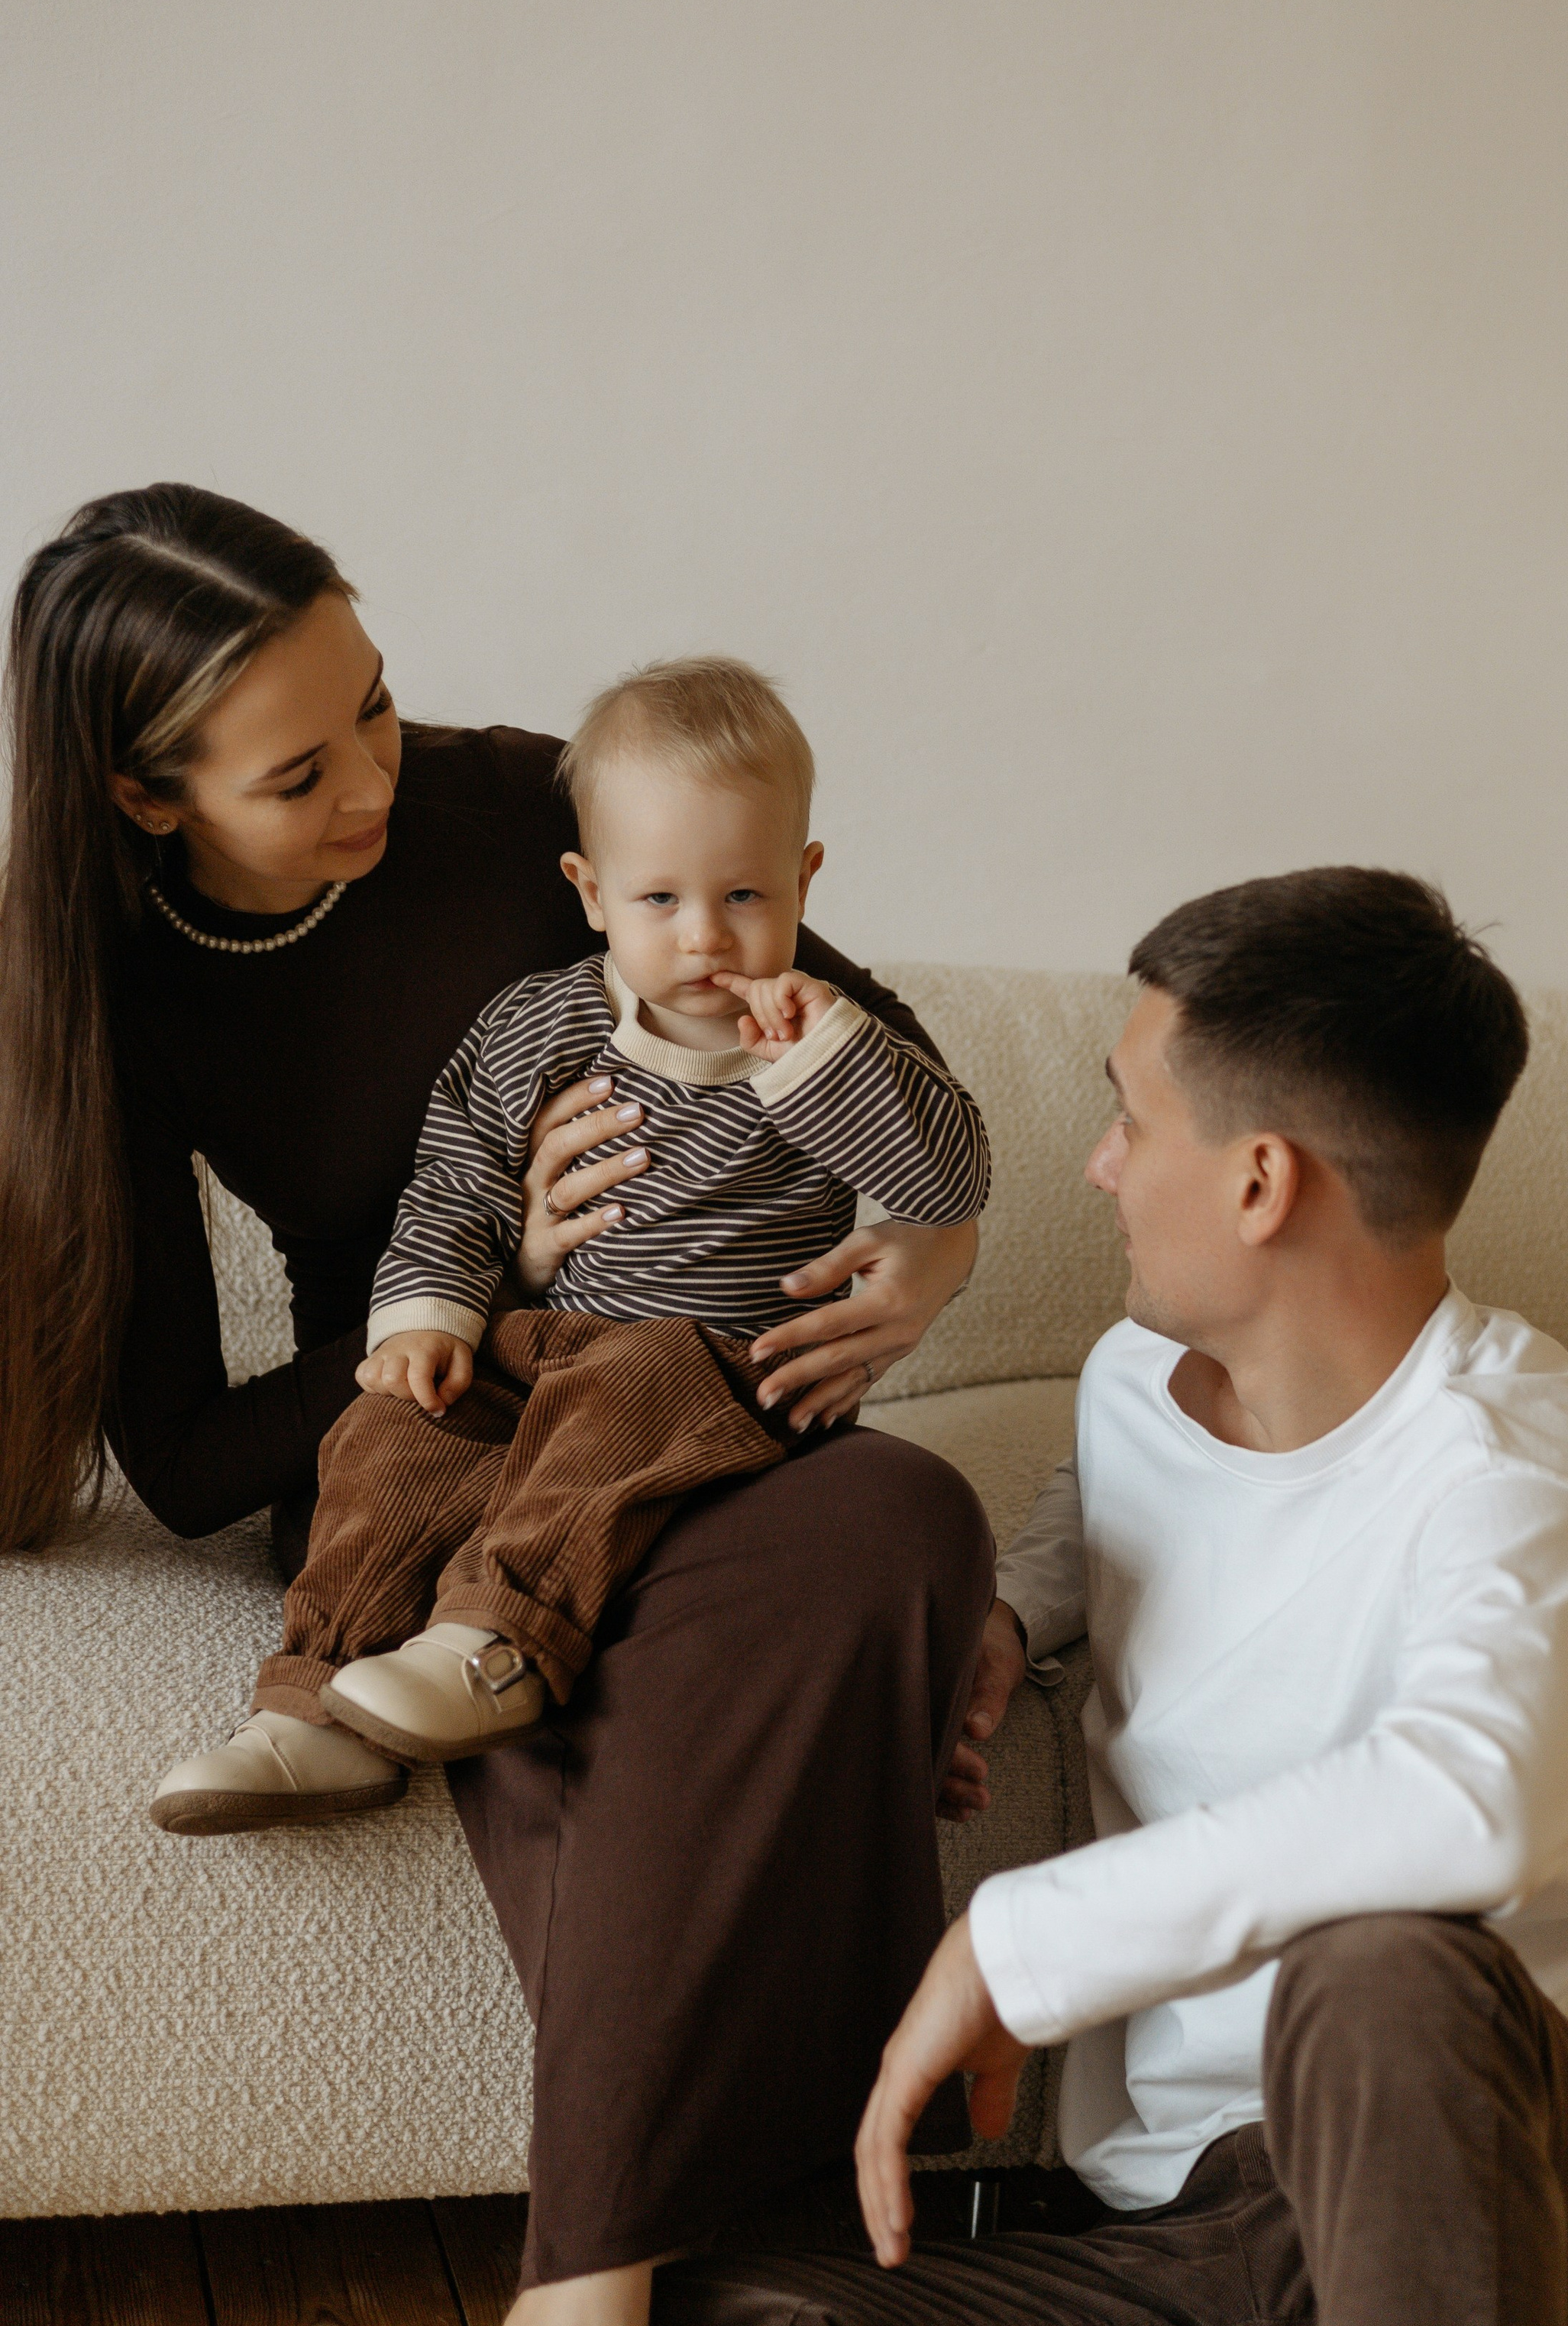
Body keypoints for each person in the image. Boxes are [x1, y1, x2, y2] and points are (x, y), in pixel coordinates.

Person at [0, 484, 1013, 2326]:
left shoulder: (526, 812)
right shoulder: (107, 985)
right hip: (440, 1423)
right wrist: (453, 1304)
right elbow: (187, 1453)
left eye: (375, 705)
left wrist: (945, 1247)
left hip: (682, 1406)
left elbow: (840, 1032)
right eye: (302, 769)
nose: (385, 775)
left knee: (903, 1520)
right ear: (141, 792)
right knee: (544, 1661)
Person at [647, 869, 1568, 2326]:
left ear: (1255, 1180)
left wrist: (1018, 1943)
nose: (1096, 1165)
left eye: (1124, 1115)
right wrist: (1012, 1614)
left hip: (1538, 2241)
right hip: (1202, 2266)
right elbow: (1122, 1515)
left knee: (1384, 1969)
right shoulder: (1129, 1385)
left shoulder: (1509, 1467)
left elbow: (1470, 1801)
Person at [150, 655, 990, 1815]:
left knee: (632, 1378)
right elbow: (455, 1185)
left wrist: (833, 1063)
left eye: (744, 897)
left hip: (722, 1376)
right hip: (543, 1342)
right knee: (394, 1431)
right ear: (589, 892)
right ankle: (313, 1702)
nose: (705, 938)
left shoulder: (822, 1050)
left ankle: (495, 1640)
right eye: (660, 901)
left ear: (804, 881)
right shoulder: (538, 1024)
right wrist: (428, 1318)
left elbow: (945, 1177)